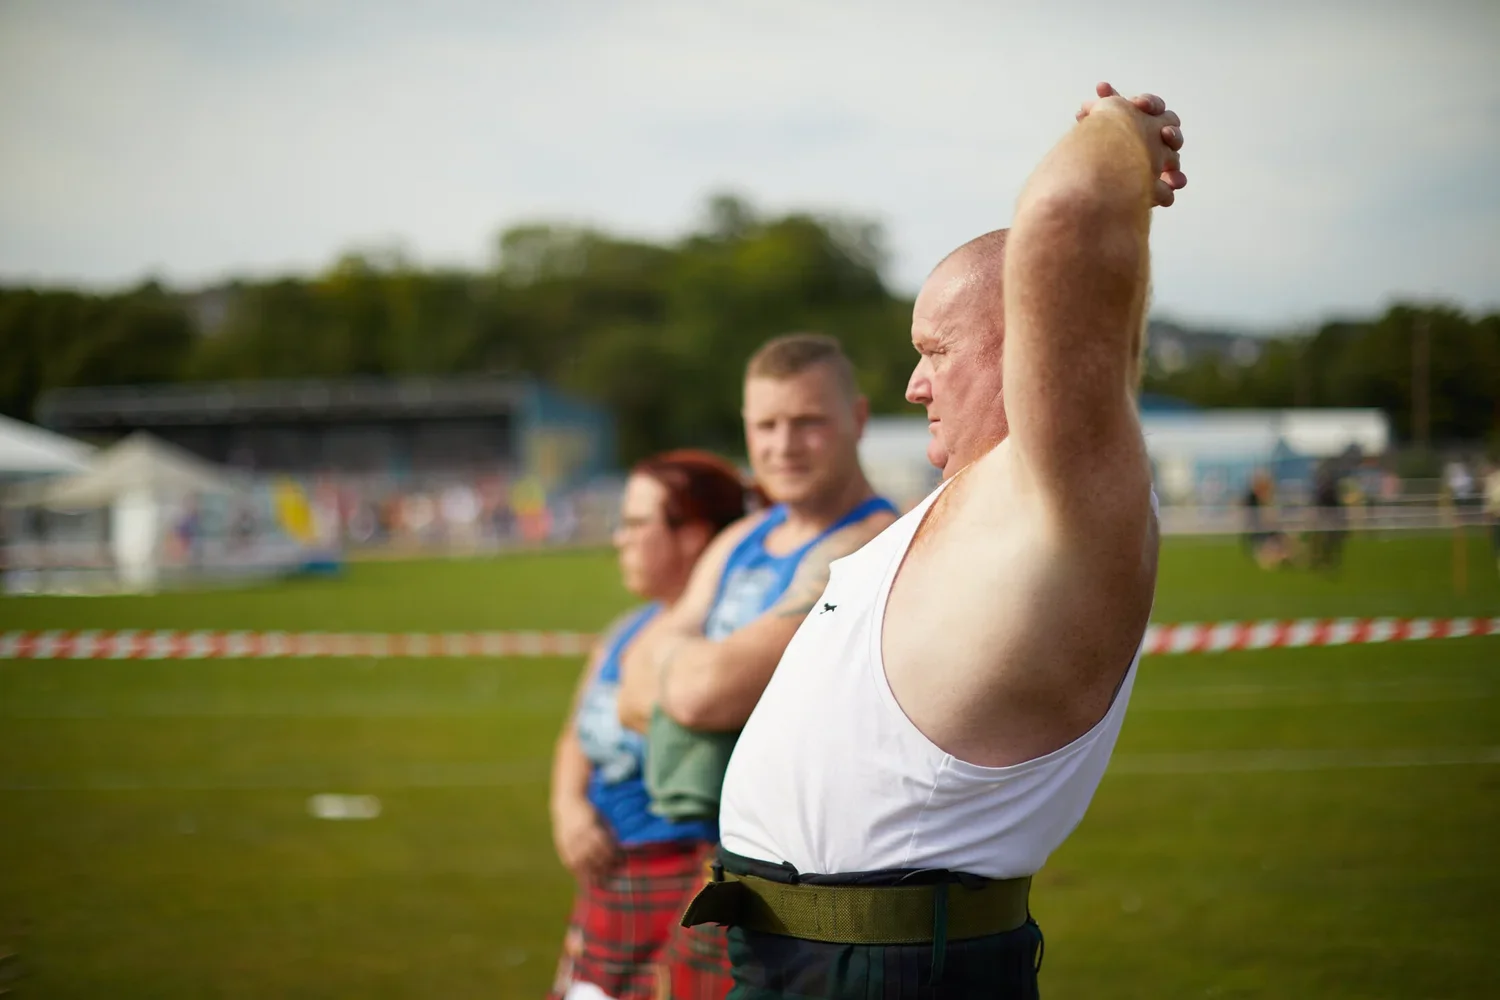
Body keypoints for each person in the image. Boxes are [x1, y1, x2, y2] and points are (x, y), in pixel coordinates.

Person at [684, 82, 1189, 998]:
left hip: (895, 970)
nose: (916, 386)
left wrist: (1121, 130)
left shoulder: (1060, 499)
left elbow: (1069, 213)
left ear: (1025, 341)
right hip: (802, 956)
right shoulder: (973, 504)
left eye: (936, 350)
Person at [615, 333, 899, 999]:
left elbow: (705, 694)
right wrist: (689, 680)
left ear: (855, 420)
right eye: (767, 425)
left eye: (808, 422)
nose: (783, 445)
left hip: (823, 889)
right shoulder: (746, 537)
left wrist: (684, 672)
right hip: (730, 865)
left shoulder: (870, 542)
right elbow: (628, 685)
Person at [547, 450, 755, 1000]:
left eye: (637, 523)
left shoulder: (728, 643)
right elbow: (576, 733)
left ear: (694, 536)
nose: (620, 538)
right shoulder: (624, 630)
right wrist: (567, 809)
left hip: (685, 882)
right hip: (610, 881)